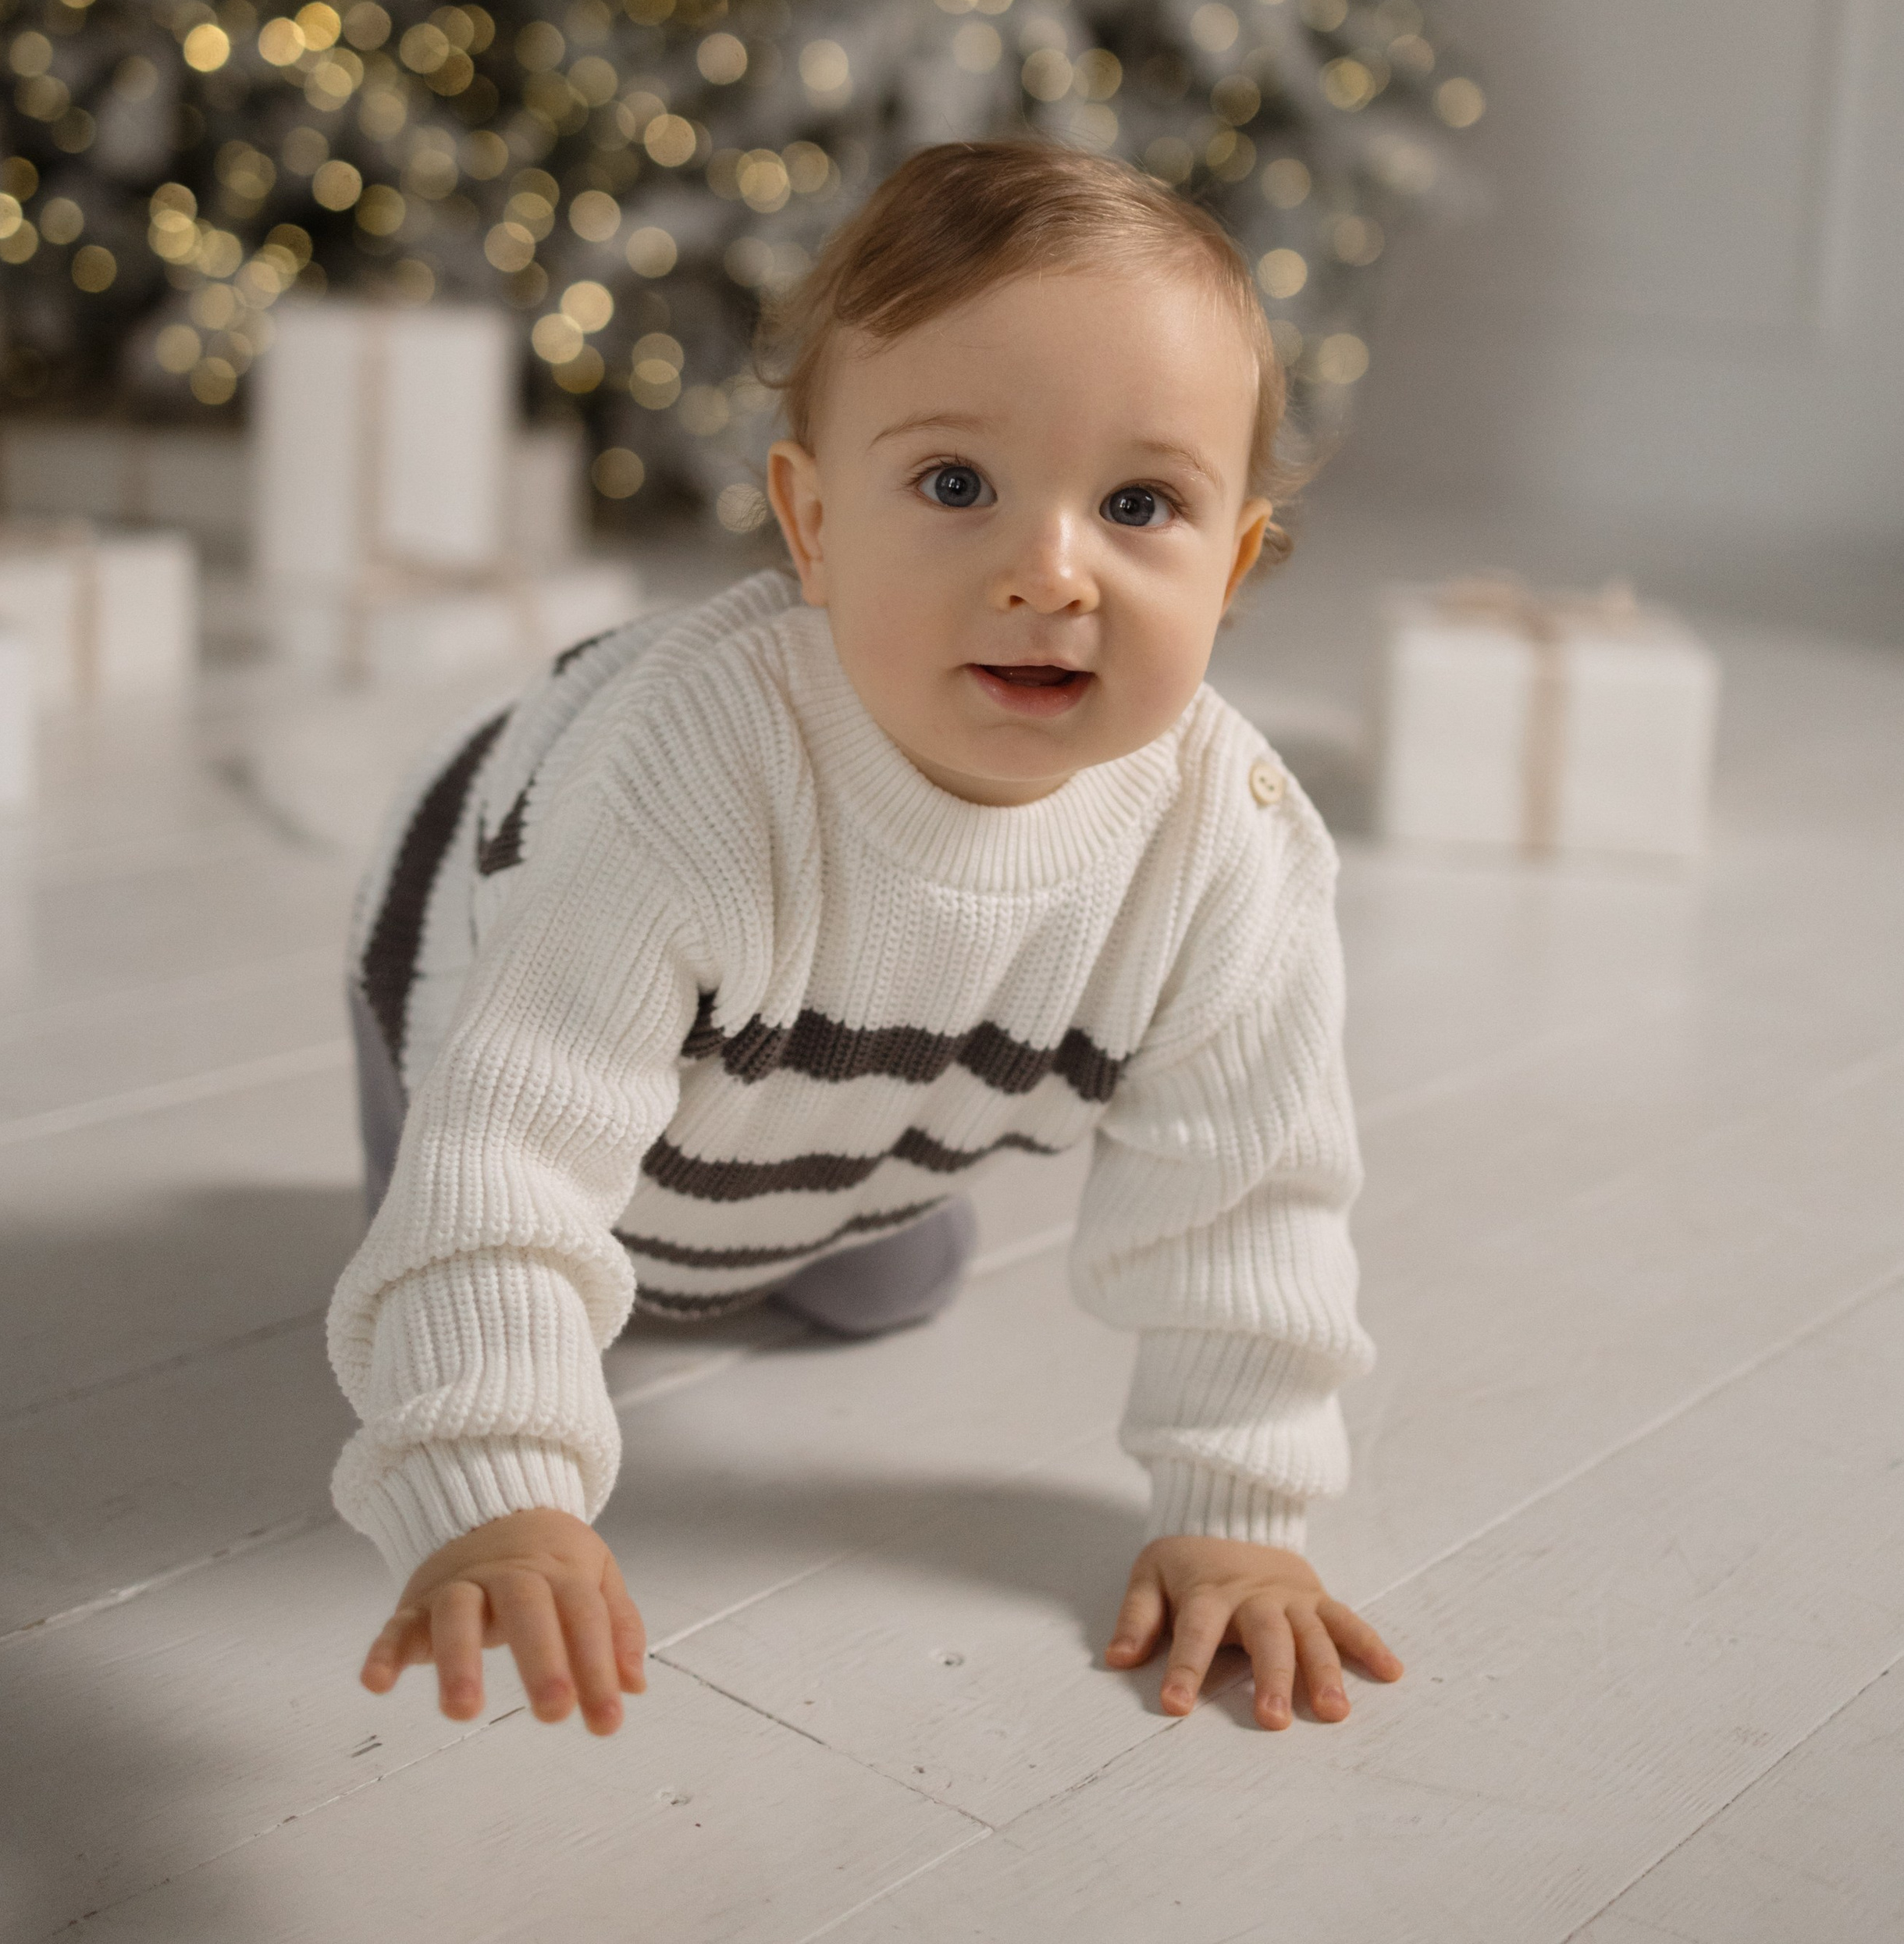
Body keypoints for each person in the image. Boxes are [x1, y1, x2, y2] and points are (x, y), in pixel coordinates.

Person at [327, 138, 1404, 1739]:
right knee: (494, 1248)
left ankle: (792, 1213)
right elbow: (512, 1154)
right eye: (954, 486)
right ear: (811, 525)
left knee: (874, 1293)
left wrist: (1238, 1510)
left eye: (1137, 504)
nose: (1049, 572)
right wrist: (497, 1484)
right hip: (472, 976)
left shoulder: (1226, 845)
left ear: (1231, 563)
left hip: (847, 1080)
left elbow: (1242, 1195)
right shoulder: (689, 783)